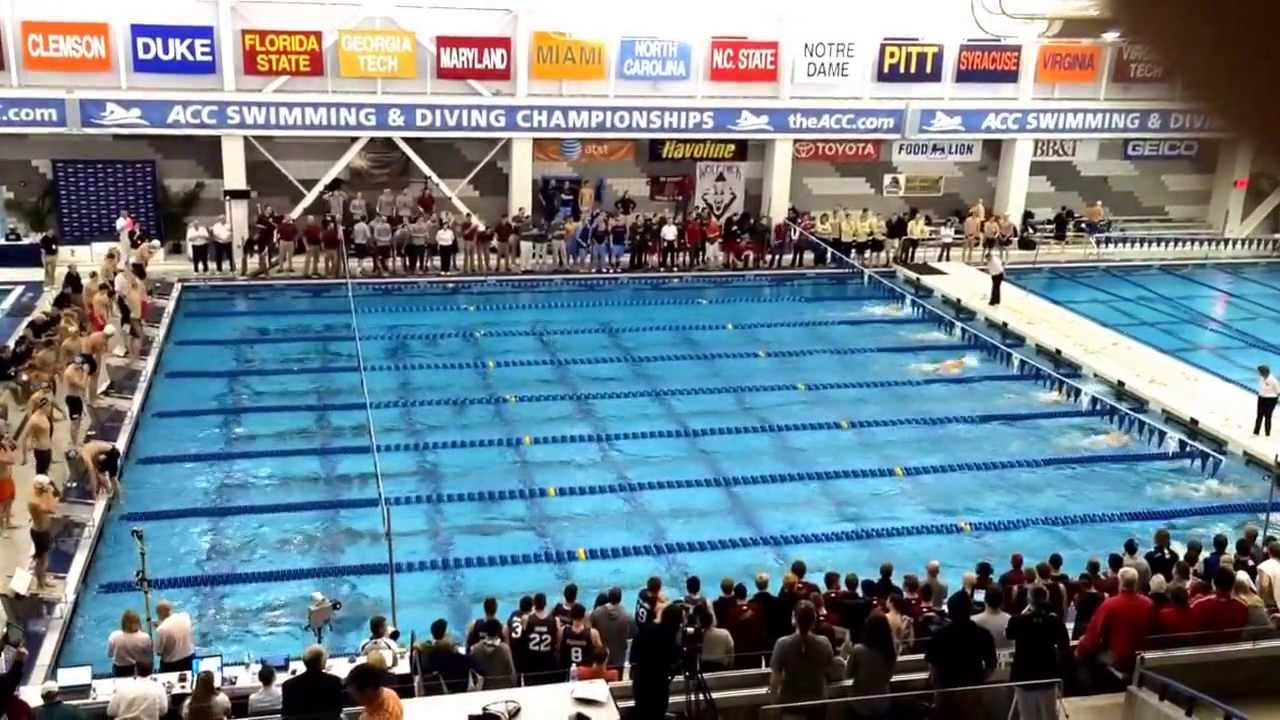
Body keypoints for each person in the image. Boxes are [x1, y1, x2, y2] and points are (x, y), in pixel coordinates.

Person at [926, 593, 997, 719]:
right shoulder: (983, 634)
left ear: (950, 611)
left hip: (945, 687)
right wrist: (979, 680)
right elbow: (991, 664)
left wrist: (936, 685)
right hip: (971, 688)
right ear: (970, 610)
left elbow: (933, 665)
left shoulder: (938, 635)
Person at [768, 601, 844, 716]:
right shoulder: (824, 643)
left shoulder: (782, 644)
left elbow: (775, 679)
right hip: (818, 702)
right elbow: (831, 669)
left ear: (794, 619)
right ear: (814, 621)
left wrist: (773, 705)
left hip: (791, 704)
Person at [1006, 586, 1071, 720]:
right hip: (1047, 673)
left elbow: (1008, 634)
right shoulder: (1054, 621)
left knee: (1027, 715)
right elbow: (1064, 645)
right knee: (1049, 714)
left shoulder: (1017, 621)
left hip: (1023, 675)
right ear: (1046, 598)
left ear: (1029, 599)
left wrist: (1025, 613)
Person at [1077, 567, 1153, 677]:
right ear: (1136, 583)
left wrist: (1080, 649)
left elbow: (1093, 635)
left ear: (1120, 582)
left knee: (1087, 657)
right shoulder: (1148, 604)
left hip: (1119, 659)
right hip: (1142, 656)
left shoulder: (1110, 604)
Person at [630, 602, 680, 719]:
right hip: (659, 684)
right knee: (658, 713)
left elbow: (633, 658)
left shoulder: (644, 630)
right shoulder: (671, 638)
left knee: (641, 711)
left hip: (641, 682)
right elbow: (675, 662)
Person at [845, 610, 896, 718]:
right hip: (883, 703)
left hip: (860, 704)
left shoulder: (858, 650)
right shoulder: (891, 650)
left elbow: (848, 674)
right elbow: (889, 676)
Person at [281, 645, 346, 720]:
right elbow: (338, 710)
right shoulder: (335, 681)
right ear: (322, 661)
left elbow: (286, 714)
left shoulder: (288, 685)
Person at [1191, 566, 1248, 643]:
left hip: (1204, 650)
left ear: (1214, 583)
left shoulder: (1199, 605)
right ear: (1233, 584)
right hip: (1233, 650)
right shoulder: (1242, 607)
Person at [590, 587, 633, 674]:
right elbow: (630, 637)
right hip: (618, 660)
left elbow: (591, 634)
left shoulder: (596, 613)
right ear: (620, 599)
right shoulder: (628, 617)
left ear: (608, 597)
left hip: (600, 660)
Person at [29, 475, 61, 591]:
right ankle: (40, 584)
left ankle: (43, 578)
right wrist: (50, 495)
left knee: (44, 558)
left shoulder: (38, 496)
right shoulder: (35, 501)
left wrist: (50, 494)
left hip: (43, 531)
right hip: (39, 533)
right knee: (42, 559)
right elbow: (51, 509)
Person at [469, 619, 515, 690]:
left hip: (482, 691)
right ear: (499, 632)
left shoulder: (475, 649)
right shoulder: (505, 649)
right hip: (502, 690)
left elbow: (472, 673)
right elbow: (512, 674)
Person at [107, 610, 154, 678]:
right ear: (138, 623)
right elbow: (148, 656)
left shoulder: (114, 636)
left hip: (119, 670)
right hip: (139, 670)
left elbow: (110, 655)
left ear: (123, 623)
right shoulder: (145, 637)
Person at [154, 600, 195, 673]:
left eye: (157, 613)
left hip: (172, 665)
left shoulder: (161, 630)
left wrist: (160, 627)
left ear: (160, 613)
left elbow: (158, 653)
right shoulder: (185, 616)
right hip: (190, 659)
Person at [1255, 365, 1279, 436]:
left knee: (1268, 416)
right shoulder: (1261, 378)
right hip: (1261, 398)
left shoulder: (1273, 381)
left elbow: (1278, 392)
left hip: (1270, 400)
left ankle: (1267, 433)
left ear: (1263, 372)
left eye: (1259, 372)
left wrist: (1273, 402)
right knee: (1259, 415)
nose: (1258, 373)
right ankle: (1256, 432)